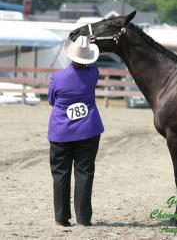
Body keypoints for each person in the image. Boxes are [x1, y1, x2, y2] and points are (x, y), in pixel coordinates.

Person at [48, 36, 104, 227]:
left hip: (61, 132)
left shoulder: (57, 78)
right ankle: (83, 218)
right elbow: (90, 68)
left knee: (60, 174)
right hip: (88, 129)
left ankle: (62, 218)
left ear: (71, 55)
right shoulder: (93, 73)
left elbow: (51, 101)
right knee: (84, 173)